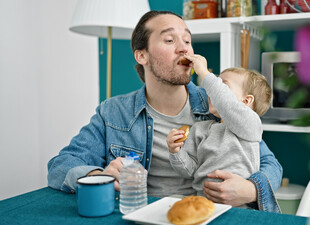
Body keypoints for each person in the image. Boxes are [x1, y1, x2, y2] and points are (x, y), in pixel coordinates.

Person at [47, 10, 282, 212]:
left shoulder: (217, 106)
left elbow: (270, 164)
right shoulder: (114, 112)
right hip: (142, 219)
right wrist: (98, 176)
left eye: (187, 41)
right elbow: (60, 165)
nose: (184, 49)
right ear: (142, 55)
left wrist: (251, 189)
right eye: (170, 40)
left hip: (208, 216)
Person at [166, 54, 272, 209]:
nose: (212, 91)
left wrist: (205, 74)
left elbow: (227, 103)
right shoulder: (201, 129)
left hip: (239, 207)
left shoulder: (251, 125)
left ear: (246, 101)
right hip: (201, 203)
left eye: (224, 85)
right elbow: (190, 170)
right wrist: (175, 152)